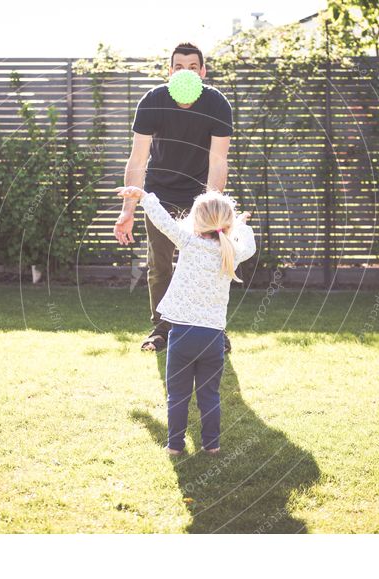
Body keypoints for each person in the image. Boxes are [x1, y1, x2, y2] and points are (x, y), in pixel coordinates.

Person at [115, 185, 256, 456]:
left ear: (196, 220)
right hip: (213, 339)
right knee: (210, 396)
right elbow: (248, 245)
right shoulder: (232, 252)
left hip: (181, 336)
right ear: (226, 225)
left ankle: (175, 446)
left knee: (178, 396)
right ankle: (212, 445)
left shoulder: (189, 243)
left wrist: (144, 197)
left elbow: (163, 222)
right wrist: (240, 226)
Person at [114, 42, 235, 353]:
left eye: (193, 67)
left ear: (203, 72)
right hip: (161, 194)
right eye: (179, 67)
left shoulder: (217, 104)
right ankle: (163, 328)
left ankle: (212, 328)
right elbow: (138, 159)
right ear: (169, 72)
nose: (186, 72)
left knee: (209, 262)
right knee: (160, 264)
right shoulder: (152, 101)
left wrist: (213, 207)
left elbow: (218, 160)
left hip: (200, 197)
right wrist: (127, 210)